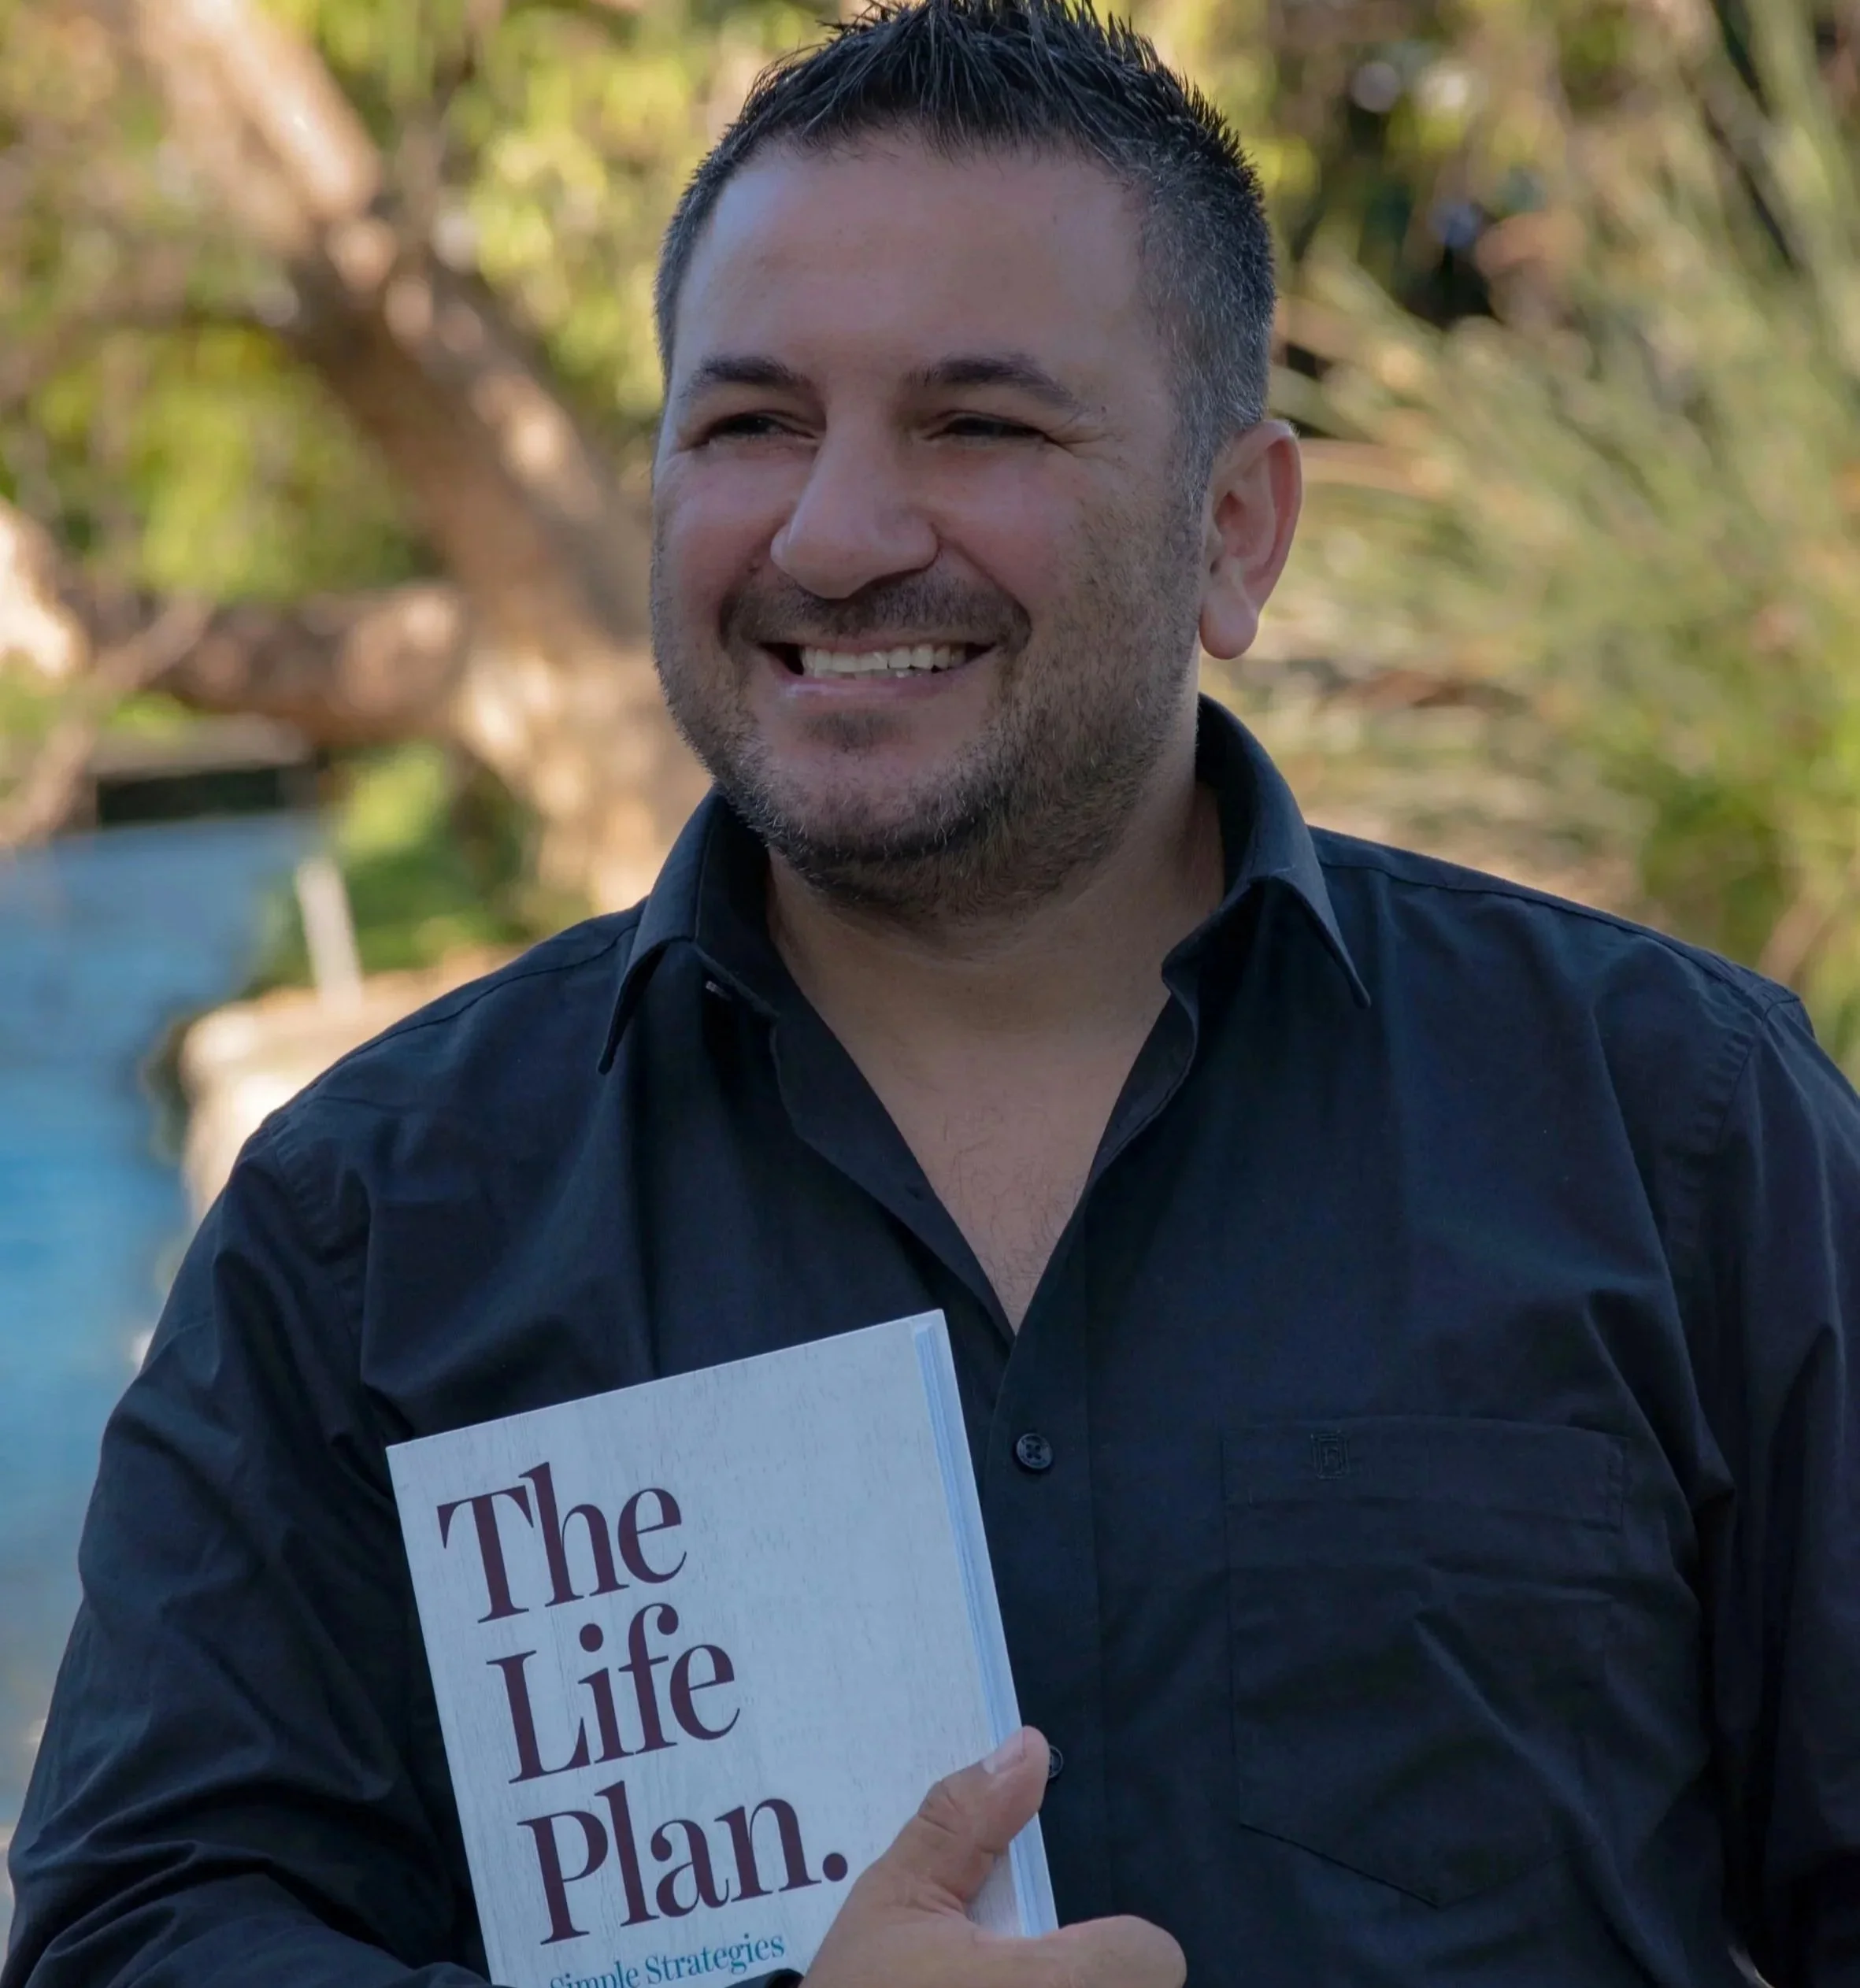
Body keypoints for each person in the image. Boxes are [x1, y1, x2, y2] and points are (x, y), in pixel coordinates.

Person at [7, 0, 1860, 1981]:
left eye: (977, 424)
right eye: (748, 425)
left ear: (1235, 530)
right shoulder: (368, 1221)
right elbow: (139, 1932)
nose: (834, 532)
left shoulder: (1679, 1133)